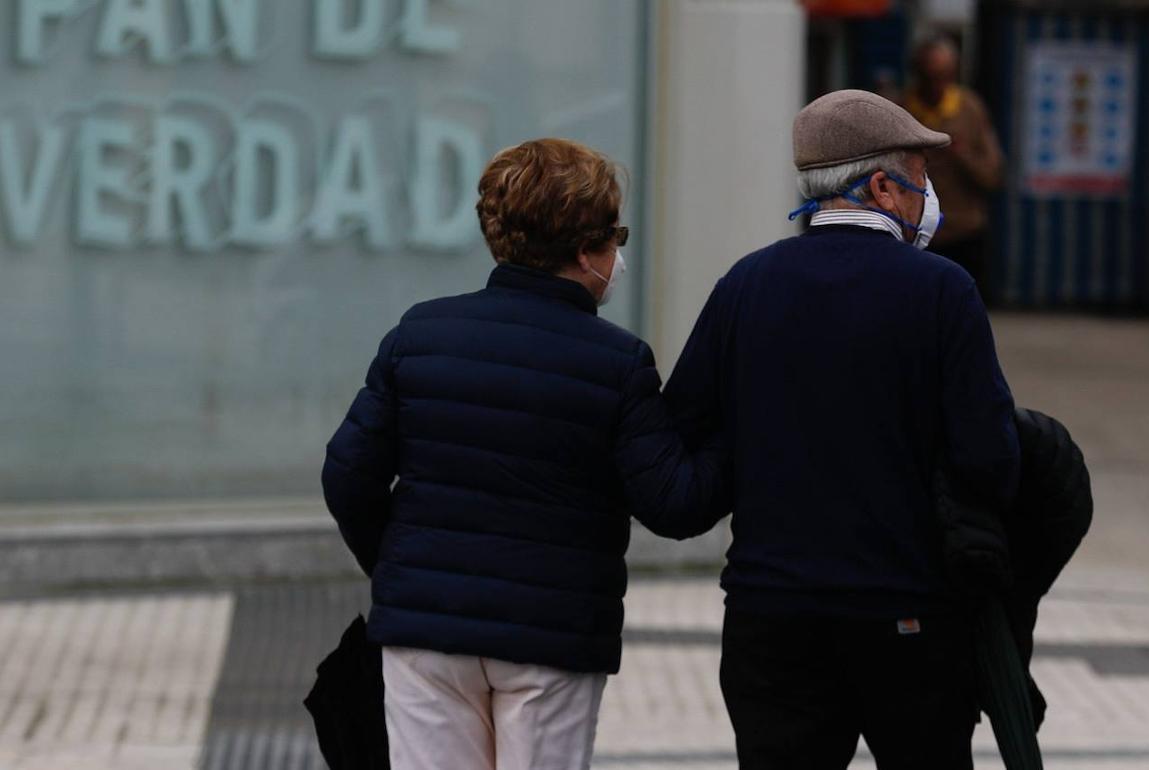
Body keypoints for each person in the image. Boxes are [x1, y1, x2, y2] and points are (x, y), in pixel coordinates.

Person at [322, 138, 729, 770]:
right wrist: (738, 427)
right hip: (552, 636)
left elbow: (348, 475)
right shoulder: (617, 363)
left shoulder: (420, 334)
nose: (617, 256)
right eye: (614, 238)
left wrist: (401, 568)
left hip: (426, 631)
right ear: (584, 250)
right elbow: (674, 505)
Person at [663, 90, 1021, 769]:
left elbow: (684, 434)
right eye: (923, 176)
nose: (930, 196)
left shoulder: (744, 285)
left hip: (770, 615)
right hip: (906, 614)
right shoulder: (942, 292)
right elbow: (990, 461)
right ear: (883, 185)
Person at [904, 35, 1004, 302]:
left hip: (964, 233)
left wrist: (961, 155)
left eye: (944, 76)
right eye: (930, 76)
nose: (937, 85)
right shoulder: (901, 109)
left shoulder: (970, 109)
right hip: (914, 234)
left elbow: (993, 175)